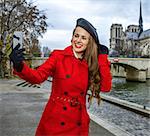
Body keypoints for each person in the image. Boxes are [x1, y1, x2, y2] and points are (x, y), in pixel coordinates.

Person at [10, 18, 112, 136]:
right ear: (72, 37)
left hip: (78, 125)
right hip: (55, 123)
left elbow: (105, 87)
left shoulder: (90, 63)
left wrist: (102, 58)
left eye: (83, 38)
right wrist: (19, 66)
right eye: (76, 36)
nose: (78, 40)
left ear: (89, 42)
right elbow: (37, 77)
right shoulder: (58, 57)